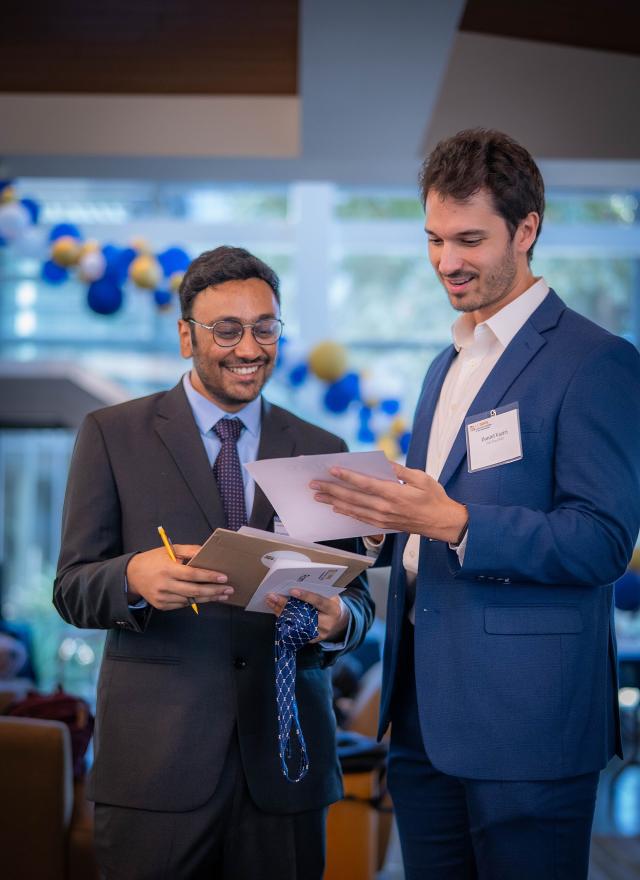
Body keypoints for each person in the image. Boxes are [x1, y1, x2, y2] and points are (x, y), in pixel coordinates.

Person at [310, 129, 640, 880]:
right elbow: (423, 526)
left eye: (468, 239)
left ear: (527, 230)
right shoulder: (446, 365)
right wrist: (364, 518)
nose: (445, 262)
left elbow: (601, 542)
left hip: (530, 725)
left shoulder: (597, 362)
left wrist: (454, 521)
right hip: (422, 718)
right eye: (432, 239)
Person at [53, 245, 374, 880]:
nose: (249, 348)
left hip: (286, 765)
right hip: (155, 771)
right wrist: (133, 579)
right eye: (227, 329)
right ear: (185, 335)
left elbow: (357, 597)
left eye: (265, 328)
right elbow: (71, 587)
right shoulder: (111, 434)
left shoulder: (323, 448)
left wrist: (340, 618)